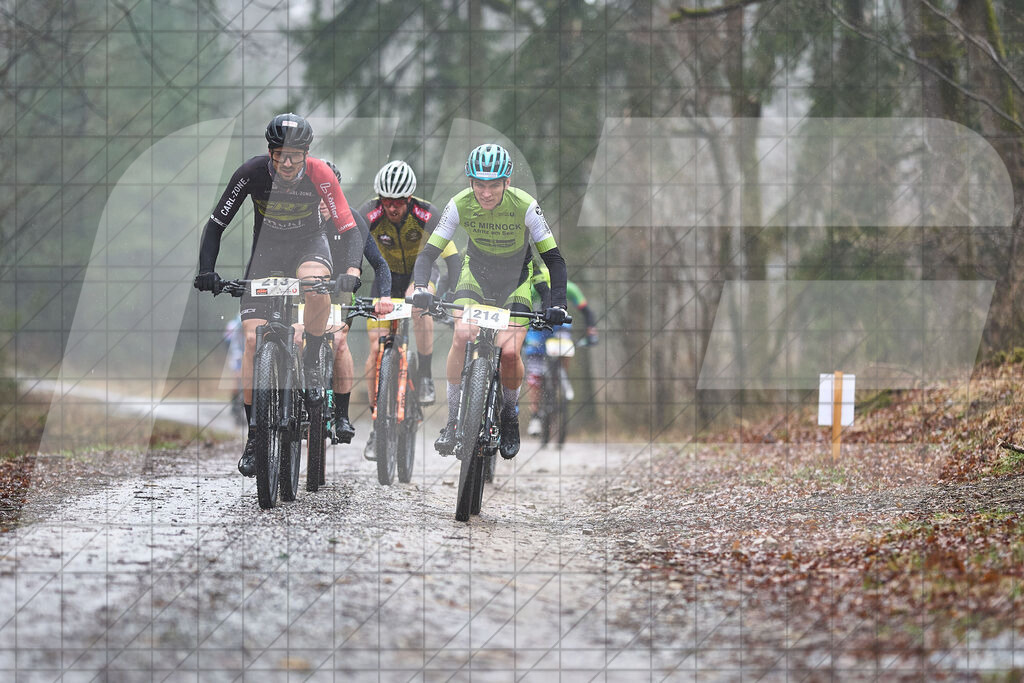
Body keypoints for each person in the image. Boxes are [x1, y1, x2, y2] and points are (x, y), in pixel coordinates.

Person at [193, 113, 362, 477]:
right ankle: (255, 437)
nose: (286, 163)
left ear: (306, 154)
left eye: (294, 155)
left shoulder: (321, 175)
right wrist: (207, 270)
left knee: (315, 285)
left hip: (308, 248)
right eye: (279, 154)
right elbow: (216, 224)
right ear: (270, 153)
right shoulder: (251, 173)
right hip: (266, 255)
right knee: (254, 339)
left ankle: (314, 353)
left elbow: (349, 231)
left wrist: (351, 271)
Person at [410, 143, 569, 459]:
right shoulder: (459, 204)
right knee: (462, 335)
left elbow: (554, 260)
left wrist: (558, 304)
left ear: (506, 182)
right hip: (475, 277)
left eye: (493, 185)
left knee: (510, 351)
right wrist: (419, 288)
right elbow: (428, 254)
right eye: (479, 185)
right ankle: (453, 420)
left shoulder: (525, 205)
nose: (485, 193)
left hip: (515, 283)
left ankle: (510, 417)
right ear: (470, 182)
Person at [356, 160, 460, 457]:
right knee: (376, 350)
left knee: (418, 303)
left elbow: (452, 258)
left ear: (410, 198)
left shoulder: (427, 214)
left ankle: (424, 375)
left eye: (399, 201)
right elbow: (352, 246)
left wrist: (451, 293)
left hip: (422, 274)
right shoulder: (369, 213)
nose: (392, 208)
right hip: (385, 279)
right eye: (387, 201)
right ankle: (378, 427)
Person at [303, 160, 393, 445]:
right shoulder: (298, 219)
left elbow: (380, 265)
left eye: (326, 194)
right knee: (296, 337)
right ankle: (294, 402)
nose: (321, 202)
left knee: (339, 341)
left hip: (340, 290)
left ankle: (341, 414)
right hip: (306, 288)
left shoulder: (352, 219)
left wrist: (385, 297)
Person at [523, 261, 599, 436]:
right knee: (536, 371)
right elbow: (588, 313)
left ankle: (558, 379)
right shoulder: (567, 287)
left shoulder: (566, 287)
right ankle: (536, 414)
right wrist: (591, 332)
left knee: (535, 373)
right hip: (539, 328)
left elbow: (587, 311)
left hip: (547, 328)